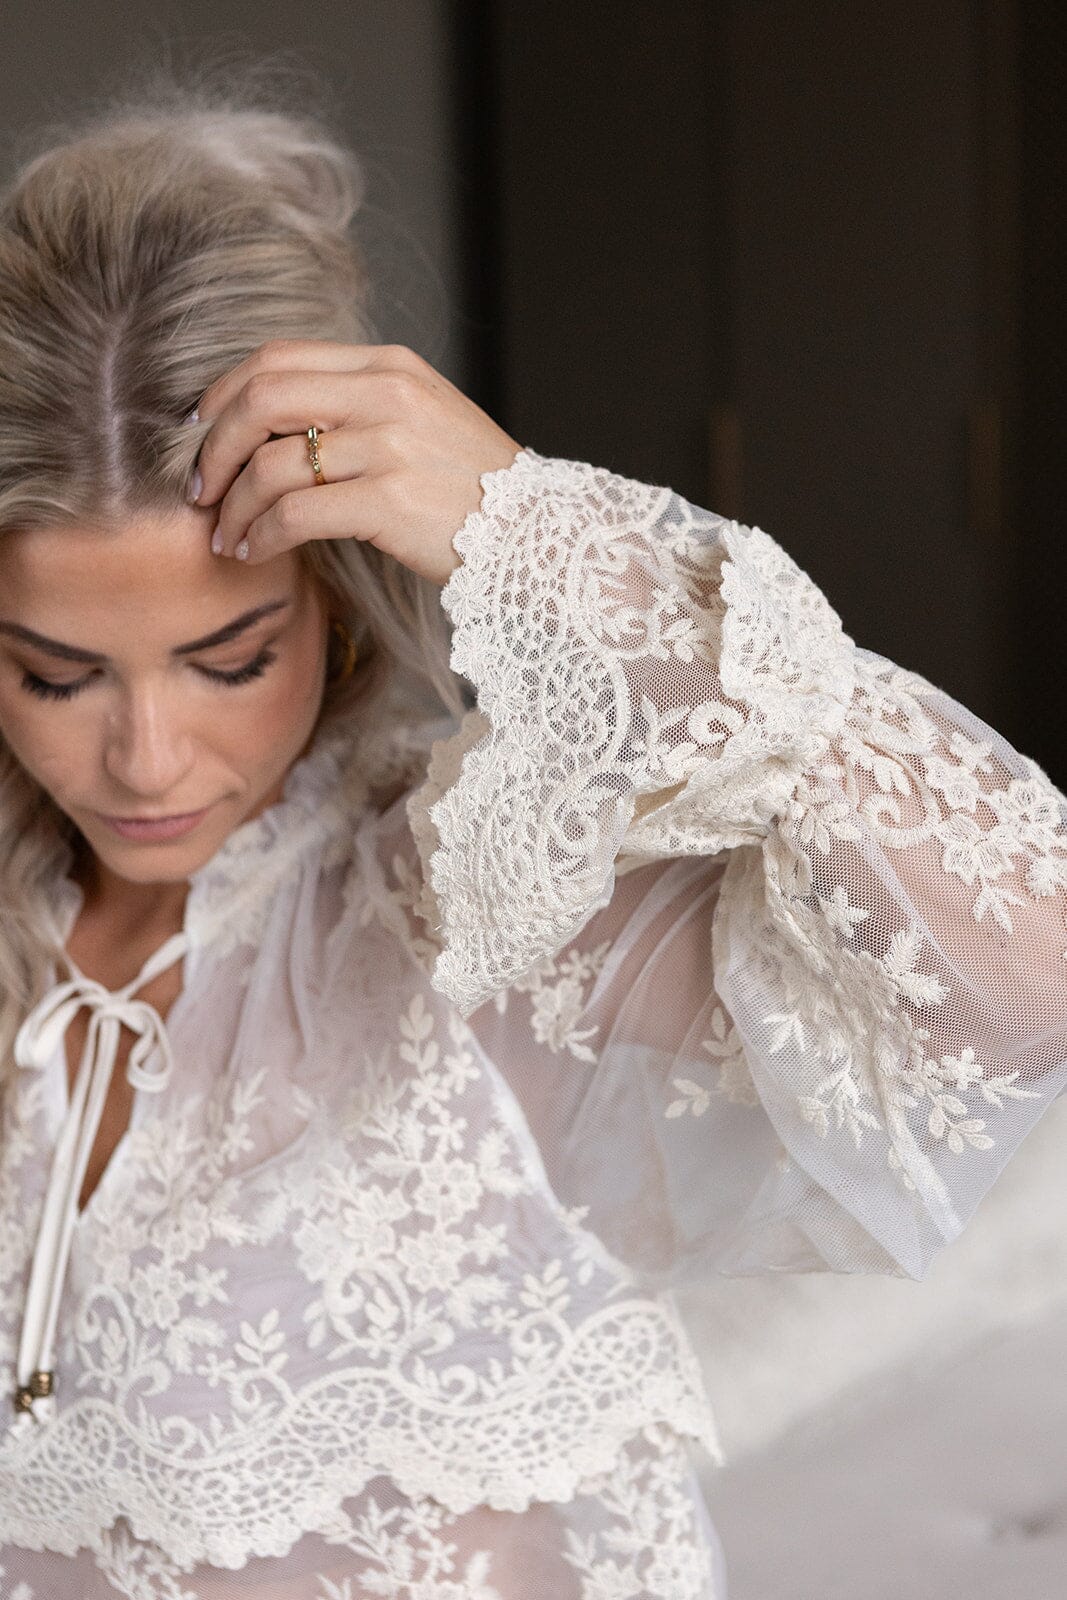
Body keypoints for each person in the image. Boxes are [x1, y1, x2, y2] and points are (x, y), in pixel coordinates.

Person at [0, 76, 1063, 1600]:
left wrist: (550, 539)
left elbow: (1032, 974)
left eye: (229, 660)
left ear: (333, 605)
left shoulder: (467, 895)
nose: (147, 757)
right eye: (56, 676)